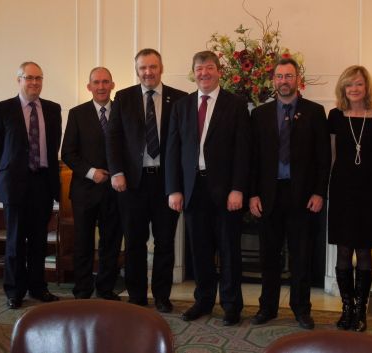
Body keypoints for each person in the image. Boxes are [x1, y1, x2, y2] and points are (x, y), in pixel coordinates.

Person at [165, 50, 250, 326]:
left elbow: (242, 152)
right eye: (199, 69)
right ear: (194, 73)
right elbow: (173, 150)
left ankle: (230, 305)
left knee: (228, 250)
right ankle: (203, 301)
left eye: (209, 68)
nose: (204, 73)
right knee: (199, 250)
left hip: (226, 192)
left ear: (219, 71)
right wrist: (173, 189)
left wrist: (238, 188)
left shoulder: (236, 104)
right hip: (192, 190)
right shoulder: (181, 106)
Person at [249, 58, 331, 329]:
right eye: (279, 76)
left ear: (298, 79)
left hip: (303, 197)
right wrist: (252, 194)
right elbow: (253, 160)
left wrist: (320, 192)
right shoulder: (259, 114)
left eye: (289, 76)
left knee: (301, 257)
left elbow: (323, 158)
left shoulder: (315, 112)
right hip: (268, 196)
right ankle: (267, 308)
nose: (284, 81)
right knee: (268, 257)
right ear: (273, 80)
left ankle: (301, 309)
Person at [106, 49, 187, 312]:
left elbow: (186, 144)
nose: (148, 72)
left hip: (167, 183)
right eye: (143, 68)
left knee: (165, 243)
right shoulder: (123, 97)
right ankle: (138, 297)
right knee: (134, 243)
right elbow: (113, 138)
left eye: (152, 67)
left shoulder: (180, 99)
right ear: (136, 70)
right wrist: (116, 171)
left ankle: (162, 296)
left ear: (161, 68)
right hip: (132, 184)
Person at [0, 61, 62, 309]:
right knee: (16, 241)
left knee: (40, 241)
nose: (34, 83)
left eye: (38, 78)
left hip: (42, 183)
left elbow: (53, 149)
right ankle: (14, 291)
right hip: (15, 184)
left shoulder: (52, 110)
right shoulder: (3, 109)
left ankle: (38, 287)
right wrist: (10, 170)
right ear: (18, 80)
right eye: (29, 78)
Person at [328, 66, 372, 332]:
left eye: (359, 84)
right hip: (342, 192)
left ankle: (361, 311)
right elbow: (332, 157)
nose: (354, 89)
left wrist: (369, 185)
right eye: (349, 85)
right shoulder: (334, 116)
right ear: (343, 89)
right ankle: (346, 309)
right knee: (343, 251)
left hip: (369, 193)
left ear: (367, 87)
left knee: (364, 252)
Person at [62, 67, 123, 300]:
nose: (101, 86)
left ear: (112, 84)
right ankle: (83, 290)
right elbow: (68, 152)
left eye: (105, 82)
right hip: (85, 191)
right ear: (89, 86)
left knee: (111, 242)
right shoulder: (77, 113)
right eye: (96, 82)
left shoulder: (122, 110)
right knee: (83, 243)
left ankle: (106, 289)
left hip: (115, 190)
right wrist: (90, 172)